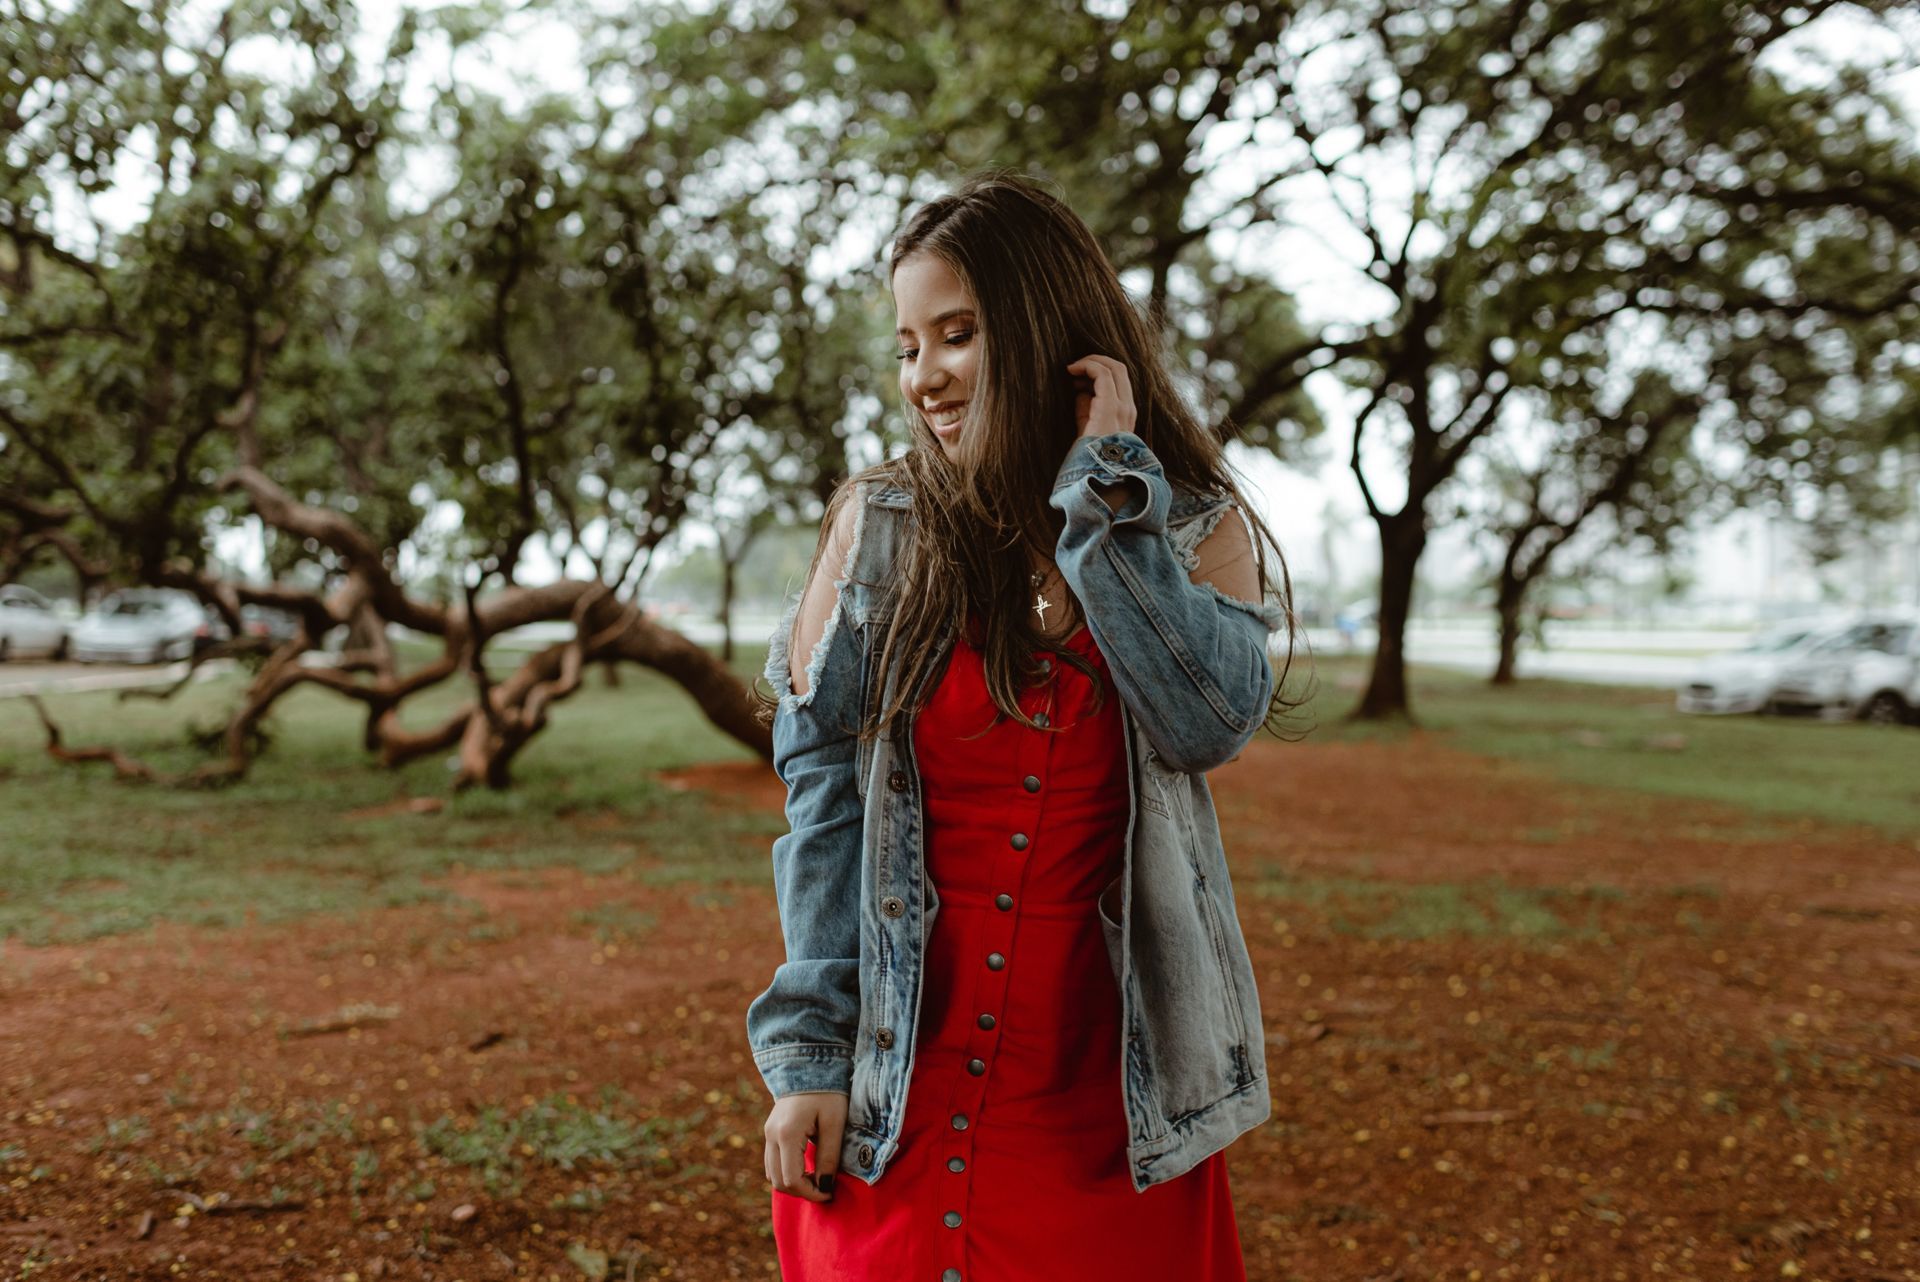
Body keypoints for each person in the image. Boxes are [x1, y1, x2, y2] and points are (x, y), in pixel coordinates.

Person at [745, 170, 1305, 1282]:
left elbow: (1206, 723)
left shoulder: (1190, 527)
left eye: (958, 333)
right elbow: (823, 790)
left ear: (1053, 331)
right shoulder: (881, 527)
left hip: (1112, 1108)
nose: (925, 377)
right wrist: (810, 1054)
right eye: (908, 345)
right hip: (896, 1085)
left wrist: (1104, 507)